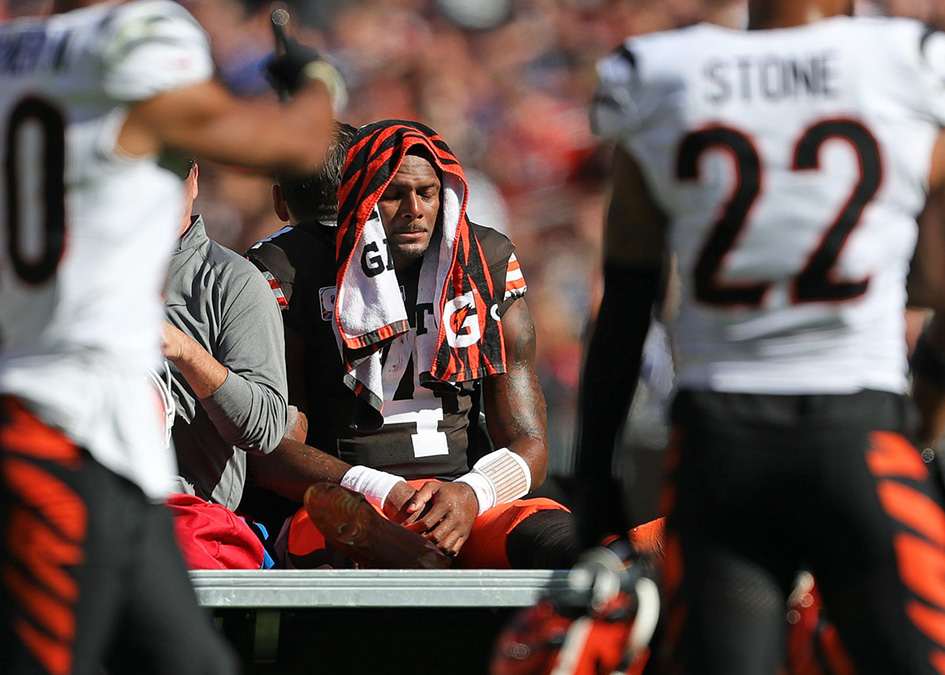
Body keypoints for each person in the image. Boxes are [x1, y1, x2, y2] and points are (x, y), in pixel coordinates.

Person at [575, 0, 945, 672]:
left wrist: (594, 474)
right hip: (859, 431)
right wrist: (921, 428)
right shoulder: (905, 64)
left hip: (720, 446)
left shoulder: (664, 74)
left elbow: (625, 304)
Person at [0, 0, 340, 672]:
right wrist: (315, 81)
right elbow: (298, 146)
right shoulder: (132, 36)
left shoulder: (14, 53)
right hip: (61, 433)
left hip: (115, 451)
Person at [248, 120, 579, 570]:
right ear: (358, 196)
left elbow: (530, 442)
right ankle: (403, 552)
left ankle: (648, 561)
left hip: (462, 501)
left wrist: (473, 492)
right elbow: (274, 451)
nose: (414, 210)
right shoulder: (294, 266)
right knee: (336, 528)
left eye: (427, 193)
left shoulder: (484, 259)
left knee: (559, 539)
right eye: (393, 195)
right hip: (353, 500)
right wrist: (382, 490)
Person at [161, 158, 288, 570]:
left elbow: (265, 428)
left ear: (194, 179)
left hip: (189, 518)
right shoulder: (78, 276)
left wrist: (186, 351)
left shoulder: (233, 282)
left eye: (173, 174)